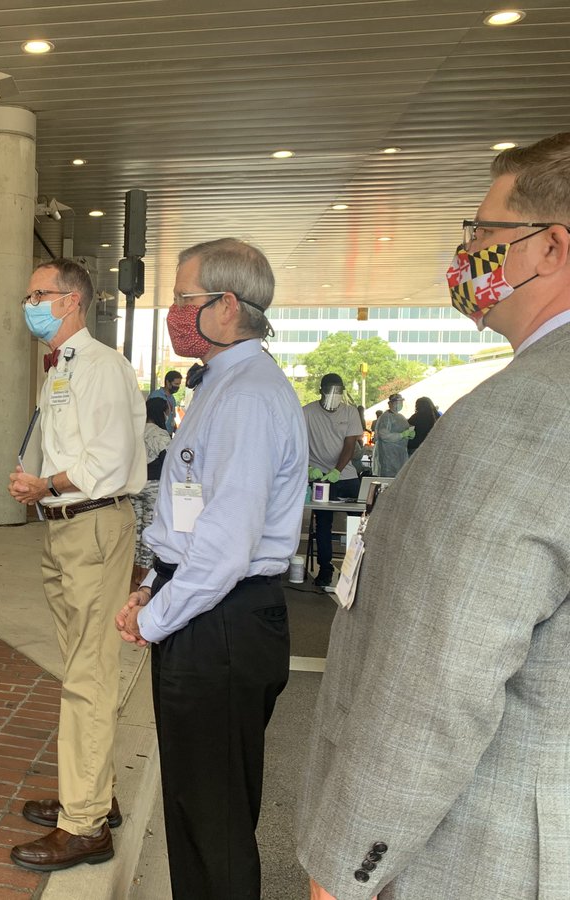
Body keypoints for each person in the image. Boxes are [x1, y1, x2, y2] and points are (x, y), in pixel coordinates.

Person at [296, 132, 570, 900]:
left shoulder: (523, 413)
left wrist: (348, 866)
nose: (466, 254)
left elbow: (439, 680)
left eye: (482, 232)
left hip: (480, 856)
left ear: (550, 247)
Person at [115, 238, 306, 900]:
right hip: (205, 606)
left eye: (182, 298)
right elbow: (190, 514)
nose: (174, 311)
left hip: (221, 619)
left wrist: (157, 618)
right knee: (197, 808)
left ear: (227, 306)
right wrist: (152, 586)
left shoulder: (247, 396)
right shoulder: (222, 384)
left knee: (213, 819)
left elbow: (226, 545)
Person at [7, 257, 145, 872]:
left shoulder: (102, 366)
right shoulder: (61, 367)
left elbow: (107, 461)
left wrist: (46, 484)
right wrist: (38, 486)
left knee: (89, 677)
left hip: (92, 525)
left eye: (38, 295)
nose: (28, 305)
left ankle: (85, 825)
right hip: (66, 528)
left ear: (71, 301)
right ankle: (94, 794)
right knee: (81, 670)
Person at [302, 373, 363, 588]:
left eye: (339, 392)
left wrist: (337, 470)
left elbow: (350, 444)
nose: (334, 396)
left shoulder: (350, 412)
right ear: (321, 391)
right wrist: (308, 468)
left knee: (359, 524)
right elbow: (298, 443)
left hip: (346, 476)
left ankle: (356, 569)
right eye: (330, 391)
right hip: (320, 478)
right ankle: (325, 569)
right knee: (323, 524)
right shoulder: (307, 413)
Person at [131, 396, 173, 588]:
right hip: (154, 487)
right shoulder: (159, 433)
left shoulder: (134, 430)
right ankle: (143, 578)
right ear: (161, 412)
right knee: (149, 532)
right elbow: (170, 460)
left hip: (134, 486)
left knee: (135, 533)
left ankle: (131, 575)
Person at [371, 393, 411, 477]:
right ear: (391, 403)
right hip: (388, 454)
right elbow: (384, 435)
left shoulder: (401, 417)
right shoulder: (386, 417)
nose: (400, 404)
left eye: (401, 402)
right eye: (398, 402)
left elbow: (405, 429)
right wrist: (401, 435)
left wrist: (409, 434)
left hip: (400, 453)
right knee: (388, 478)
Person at [148, 369, 182, 434]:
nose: (178, 387)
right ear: (168, 382)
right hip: (157, 434)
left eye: (179, 384)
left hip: (168, 434)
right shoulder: (155, 396)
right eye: (176, 384)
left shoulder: (172, 398)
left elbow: (171, 418)